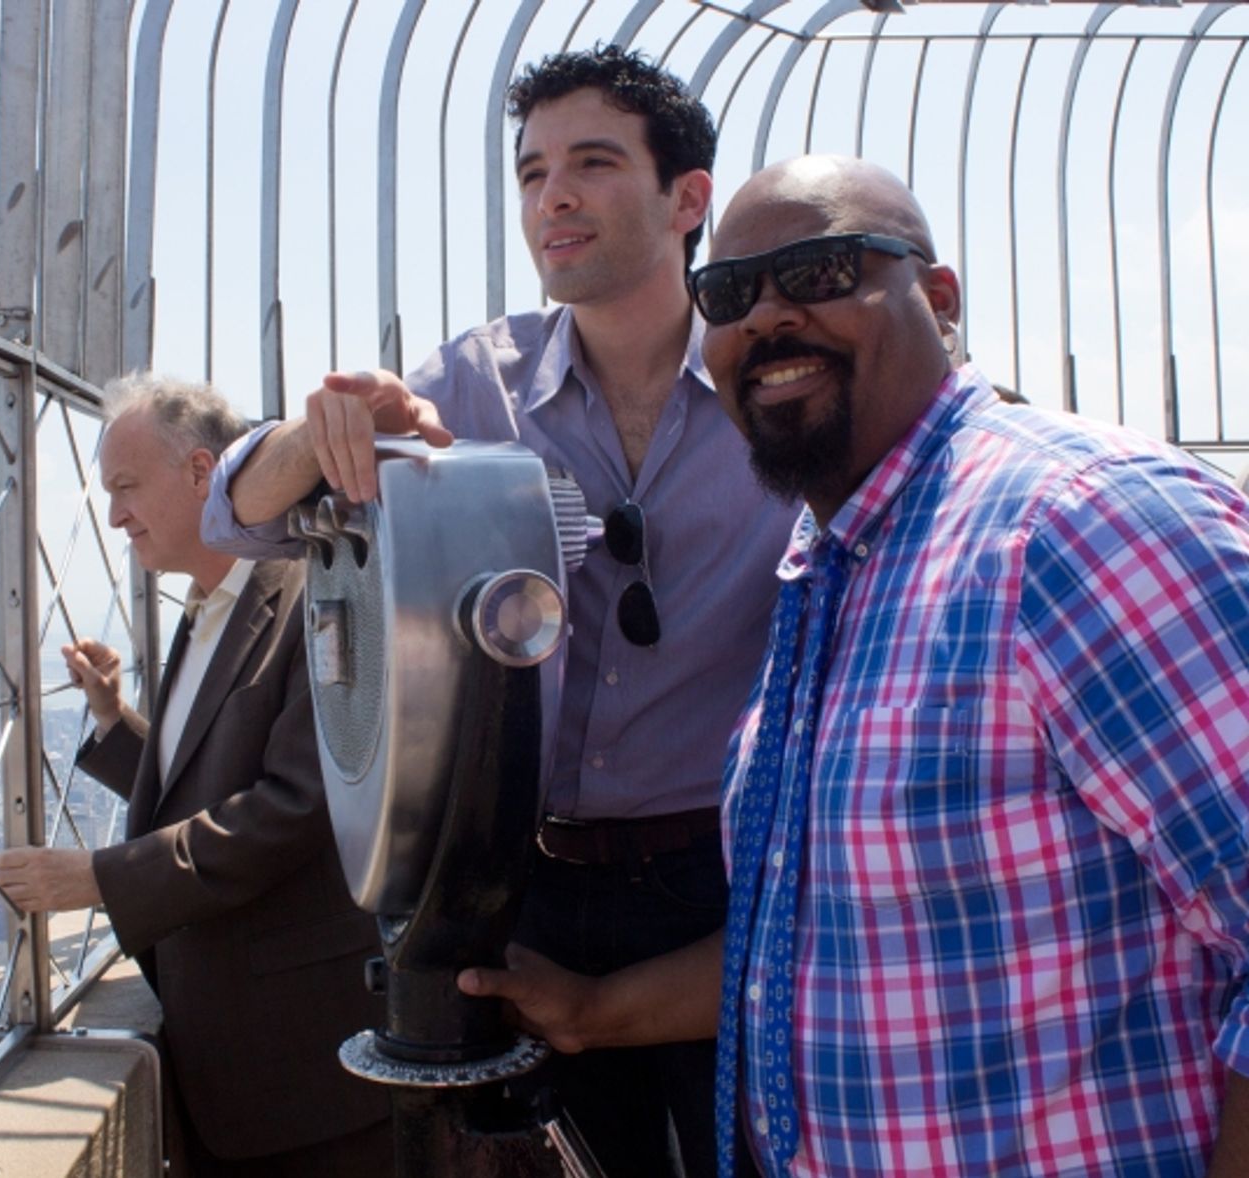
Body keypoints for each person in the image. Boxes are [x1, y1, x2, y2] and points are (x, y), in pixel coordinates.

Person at [458, 155, 1249, 1177]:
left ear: (938, 298)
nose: (769, 316)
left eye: (822, 270)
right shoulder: (830, 565)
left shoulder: (1080, 526)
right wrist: (597, 1010)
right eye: (730, 292)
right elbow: (823, 937)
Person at [201, 45, 798, 1178]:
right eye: (528, 173)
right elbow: (240, 517)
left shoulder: (765, 380)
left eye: (589, 162)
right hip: (527, 882)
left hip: (723, 884)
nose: (551, 196)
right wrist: (318, 431)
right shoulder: (472, 384)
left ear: (687, 199)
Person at [0, 373, 390, 1177]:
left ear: (204, 474)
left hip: (306, 1083)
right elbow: (211, 783)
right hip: (230, 1069)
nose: (115, 515)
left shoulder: (316, 593)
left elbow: (296, 806)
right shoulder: (211, 605)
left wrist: (101, 878)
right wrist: (114, 721)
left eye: (127, 486)